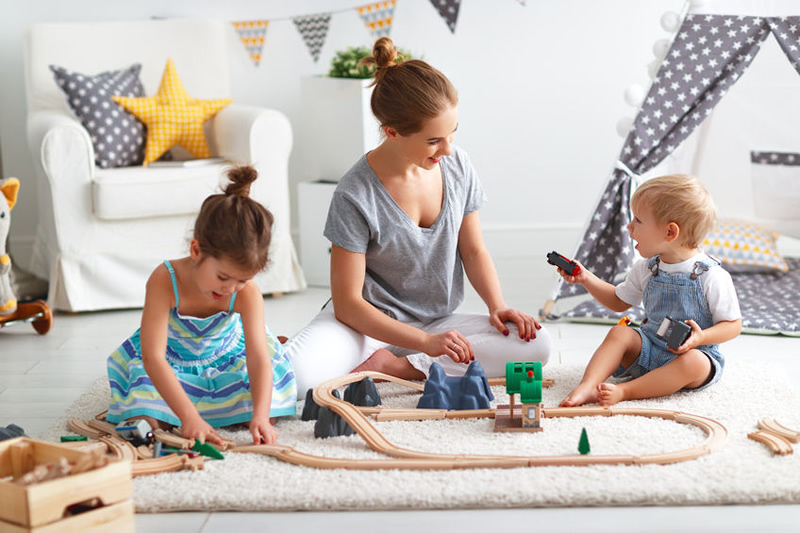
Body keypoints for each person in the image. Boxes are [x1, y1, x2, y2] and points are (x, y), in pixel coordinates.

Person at [284, 37, 551, 398]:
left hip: (436, 320)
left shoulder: (456, 165)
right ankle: (318, 348)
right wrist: (424, 342)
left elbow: (473, 251)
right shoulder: (354, 194)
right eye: (433, 141)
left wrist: (497, 306)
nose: (448, 149)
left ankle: (395, 368)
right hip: (365, 326)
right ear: (392, 132)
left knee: (536, 345)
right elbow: (347, 303)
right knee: (296, 380)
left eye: (452, 133)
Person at [107, 166, 296, 445]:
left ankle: (235, 411)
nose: (231, 288)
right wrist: (188, 418)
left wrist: (260, 415)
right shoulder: (164, 280)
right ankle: (172, 413)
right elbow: (153, 358)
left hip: (225, 356)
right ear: (196, 251)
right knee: (144, 407)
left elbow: (257, 358)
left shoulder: (248, 294)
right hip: (170, 361)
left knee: (266, 402)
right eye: (223, 277)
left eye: (242, 280)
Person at [558, 174, 742, 407]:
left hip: (692, 358)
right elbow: (618, 301)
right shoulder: (647, 268)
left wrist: (701, 337)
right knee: (620, 333)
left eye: (638, 220)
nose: (629, 226)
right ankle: (588, 385)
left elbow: (733, 325)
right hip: (650, 350)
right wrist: (586, 278)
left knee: (694, 362)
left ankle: (625, 391)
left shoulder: (712, 276)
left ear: (669, 232)